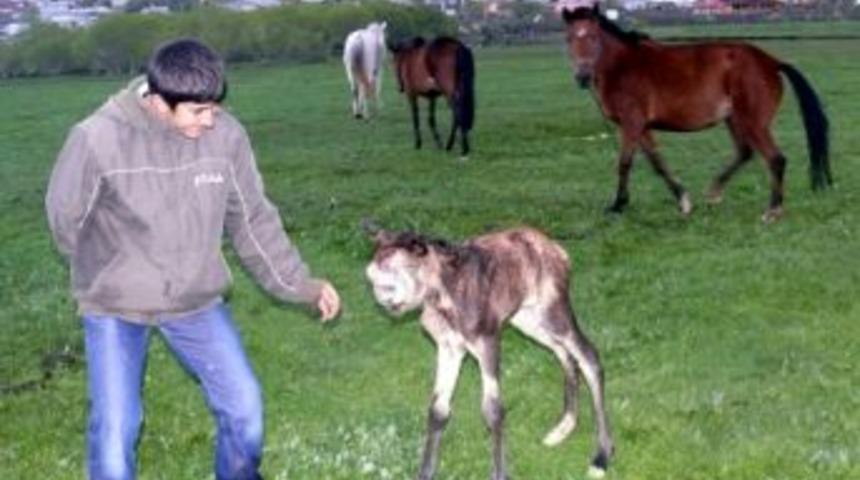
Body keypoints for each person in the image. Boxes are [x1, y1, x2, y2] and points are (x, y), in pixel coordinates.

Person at [45, 38, 341, 480]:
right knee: (116, 432)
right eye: (197, 112)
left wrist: (302, 285)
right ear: (160, 103)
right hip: (115, 306)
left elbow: (253, 221)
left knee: (246, 411)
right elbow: (65, 220)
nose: (210, 120)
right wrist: (112, 270)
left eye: (214, 108)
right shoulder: (96, 138)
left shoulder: (226, 136)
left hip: (195, 301)